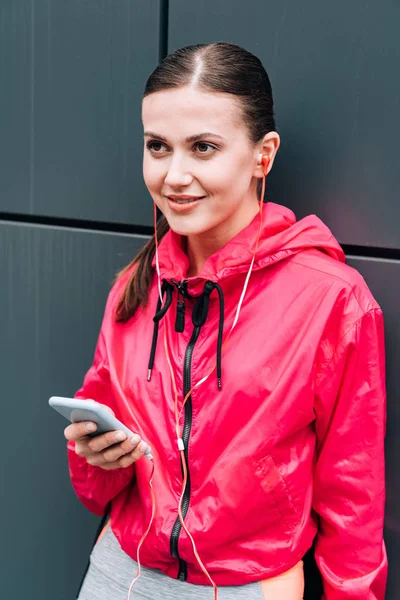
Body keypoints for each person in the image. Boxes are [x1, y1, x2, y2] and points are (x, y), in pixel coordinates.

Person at [64, 42, 388, 600]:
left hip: (246, 587)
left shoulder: (332, 300)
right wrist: (93, 456)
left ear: (263, 155)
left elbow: (352, 501)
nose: (174, 175)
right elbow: (98, 491)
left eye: (204, 147)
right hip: (119, 572)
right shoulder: (135, 288)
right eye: (157, 146)